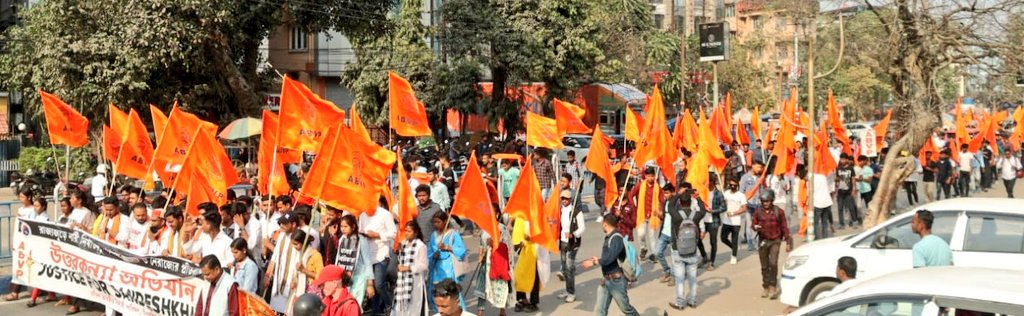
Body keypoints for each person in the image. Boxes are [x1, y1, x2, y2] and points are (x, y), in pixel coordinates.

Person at [582, 216, 640, 316]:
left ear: (605, 224)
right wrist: (598, 259)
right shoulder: (610, 237)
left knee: (626, 308)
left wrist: (594, 262)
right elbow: (609, 257)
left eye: (602, 224)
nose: (602, 226)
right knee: (599, 310)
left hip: (616, 281)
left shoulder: (616, 238)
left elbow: (610, 258)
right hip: (606, 280)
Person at [665, 187, 704, 310]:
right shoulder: (695, 215)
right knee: (692, 277)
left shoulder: (676, 215)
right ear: (691, 201)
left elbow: (670, 205)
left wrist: (678, 194)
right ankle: (692, 301)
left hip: (678, 250)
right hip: (692, 250)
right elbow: (703, 210)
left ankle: (680, 303)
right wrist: (698, 197)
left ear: (680, 202)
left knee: (680, 278)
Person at [751, 189, 792, 300]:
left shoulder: (779, 212)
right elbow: (753, 224)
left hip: (775, 241)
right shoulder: (757, 211)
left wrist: (788, 241)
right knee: (764, 266)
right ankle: (765, 286)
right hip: (763, 241)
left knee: (773, 263)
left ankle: (773, 286)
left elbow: (784, 227)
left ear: (772, 200)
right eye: (763, 201)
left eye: (767, 201)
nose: (765, 203)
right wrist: (755, 227)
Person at [360, 198, 397, 315]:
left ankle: (391, 305)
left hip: (382, 254)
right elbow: (360, 231)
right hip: (367, 255)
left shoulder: (385, 214)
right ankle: (376, 311)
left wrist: (377, 235)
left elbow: (393, 233)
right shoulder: (362, 215)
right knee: (373, 286)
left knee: (379, 284)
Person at [427, 212, 467, 311]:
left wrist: (448, 247)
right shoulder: (433, 235)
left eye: (438, 222)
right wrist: (433, 255)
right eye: (434, 222)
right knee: (437, 293)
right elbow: (429, 252)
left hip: (449, 267)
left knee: (450, 292)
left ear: (445, 222)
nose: (436, 224)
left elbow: (461, 250)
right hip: (437, 268)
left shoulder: (453, 234)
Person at [473, 211, 510, 316]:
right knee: (482, 287)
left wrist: (494, 244)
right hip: (485, 263)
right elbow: (481, 243)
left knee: (501, 287)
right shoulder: (484, 229)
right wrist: (480, 255)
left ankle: (502, 310)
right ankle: (480, 311)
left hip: (498, 263)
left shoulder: (502, 229)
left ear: (497, 214)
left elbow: (507, 247)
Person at [334, 214, 374, 307]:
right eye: (341, 226)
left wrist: (370, 283)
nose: (343, 229)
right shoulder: (342, 239)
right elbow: (338, 258)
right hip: (344, 278)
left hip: (359, 277)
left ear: (353, 227)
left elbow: (367, 261)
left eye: (345, 226)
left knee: (354, 305)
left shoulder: (361, 240)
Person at [265, 211, 300, 313]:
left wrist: (296, 279)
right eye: (281, 223)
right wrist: (267, 276)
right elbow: (274, 258)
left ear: (293, 224)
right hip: (278, 282)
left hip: (292, 283)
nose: (281, 225)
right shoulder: (281, 236)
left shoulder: (301, 238)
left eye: (285, 223)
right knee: (274, 311)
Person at [394, 222, 430, 316]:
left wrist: (408, 268)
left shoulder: (421, 246)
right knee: (401, 308)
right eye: (406, 231)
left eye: (409, 231)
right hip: (402, 281)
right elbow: (401, 260)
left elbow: (424, 265)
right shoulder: (403, 244)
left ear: (416, 232)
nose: (406, 233)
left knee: (415, 308)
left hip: (415, 281)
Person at [626, 167, 661, 262]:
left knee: (652, 236)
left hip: (653, 215)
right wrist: (633, 206)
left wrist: (660, 210)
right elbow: (630, 195)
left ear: (654, 176)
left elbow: (662, 199)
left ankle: (653, 254)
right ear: (645, 176)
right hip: (642, 214)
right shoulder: (640, 185)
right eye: (648, 176)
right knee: (641, 234)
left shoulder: (657, 187)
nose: (650, 178)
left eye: (652, 176)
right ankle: (643, 248)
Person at [557, 190, 585, 303]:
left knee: (569, 268)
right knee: (564, 267)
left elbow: (582, 228)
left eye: (566, 198)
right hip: (563, 242)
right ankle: (567, 290)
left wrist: (573, 234)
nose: (564, 200)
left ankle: (571, 293)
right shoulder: (560, 211)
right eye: (562, 198)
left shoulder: (577, 212)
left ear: (570, 199)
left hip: (572, 243)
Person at [653, 183, 677, 285]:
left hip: (673, 234)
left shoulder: (677, 203)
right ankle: (667, 271)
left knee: (674, 257)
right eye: (664, 193)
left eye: (667, 193)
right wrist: (659, 215)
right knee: (658, 253)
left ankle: (674, 277)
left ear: (672, 192)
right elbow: (664, 217)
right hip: (664, 232)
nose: (665, 195)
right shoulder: (665, 202)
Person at [740, 161, 766, 251]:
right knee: (749, 224)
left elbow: (762, 190)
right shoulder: (745, 178)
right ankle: (750, 242)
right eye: (758, 167)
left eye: (761, 168)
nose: (759, 169)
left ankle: (757, 242)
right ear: (753, 166)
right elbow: (741, 191)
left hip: (758, 204)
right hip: (748, 204)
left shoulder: (760, 178)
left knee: (758, 224)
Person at [291, 230, 325, 299]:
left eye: (296, 244)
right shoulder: (298, 255)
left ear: (303, 242)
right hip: (298, 292)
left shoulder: (315, 255)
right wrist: (294, 282)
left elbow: (320, 277)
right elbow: (296, 274)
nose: (294, 247)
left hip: (311, 293)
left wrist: (304, 270)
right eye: (293, 244)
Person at [699, 178, 724, 270]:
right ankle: (704, 257)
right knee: (698, 239)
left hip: (714, 222)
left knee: (713, 242)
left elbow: (724, 207)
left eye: (709, 182)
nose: (707, 184)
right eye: (706, 182)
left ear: (713, 182)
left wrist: (713, 211)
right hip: (703, 221)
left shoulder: (718, 194)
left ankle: (712, 262)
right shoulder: (702, 193)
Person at [721, 179, 745, 264]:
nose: (732, 187)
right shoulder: (726, 193)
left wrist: (734, 213)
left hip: (736, 222)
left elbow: (744, 208)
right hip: (726, 220)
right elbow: (723, 204)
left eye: (734, 185)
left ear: (737, 185)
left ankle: (734, 256)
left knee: (734, 239)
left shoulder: (741, 195)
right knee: (723, 238)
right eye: (731, 185)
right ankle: (734, 247)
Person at [834, 155, 857, 229]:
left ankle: (854, 222)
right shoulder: (838, 168)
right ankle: (841, 224)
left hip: (848, 191)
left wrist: (853, 189)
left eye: (843, 159)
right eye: (841, 159)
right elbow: (837, 179)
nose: (842, 160)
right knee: (840, 208)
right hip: (840, 191)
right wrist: (836, 183)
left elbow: (853, 179)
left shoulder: (850, 168)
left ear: (847, 160)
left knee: (851, 207)